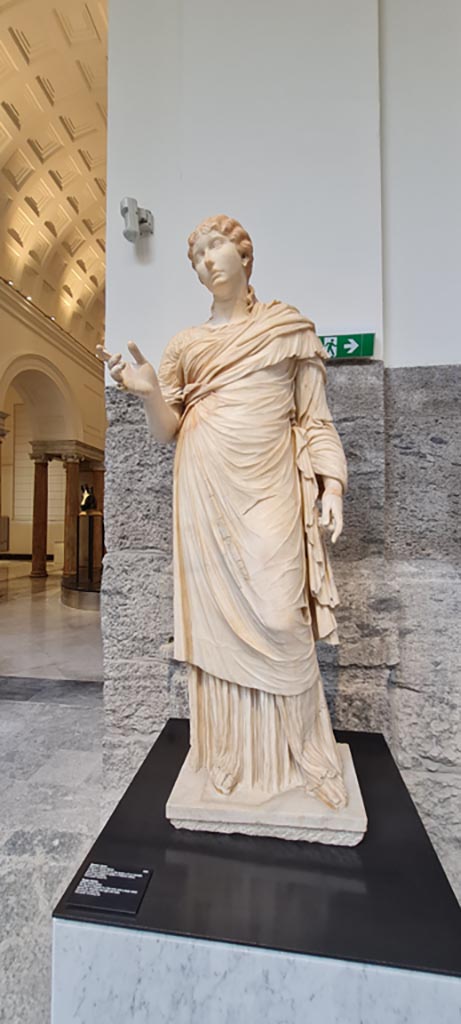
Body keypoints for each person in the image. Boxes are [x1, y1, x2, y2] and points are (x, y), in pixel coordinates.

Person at [97, 214, 348, 810]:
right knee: (217, 627)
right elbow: (167, 429)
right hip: (204, 491)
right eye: (197, 257)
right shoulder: (186, 344)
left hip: (270, 488)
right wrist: (149, 393)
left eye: (216, 248)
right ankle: (229, 756)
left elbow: (315, 419)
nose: (207, 261)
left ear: (244, 255)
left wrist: (332, 485)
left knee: (282, 618)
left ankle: (303, 755)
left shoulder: (288, 330)